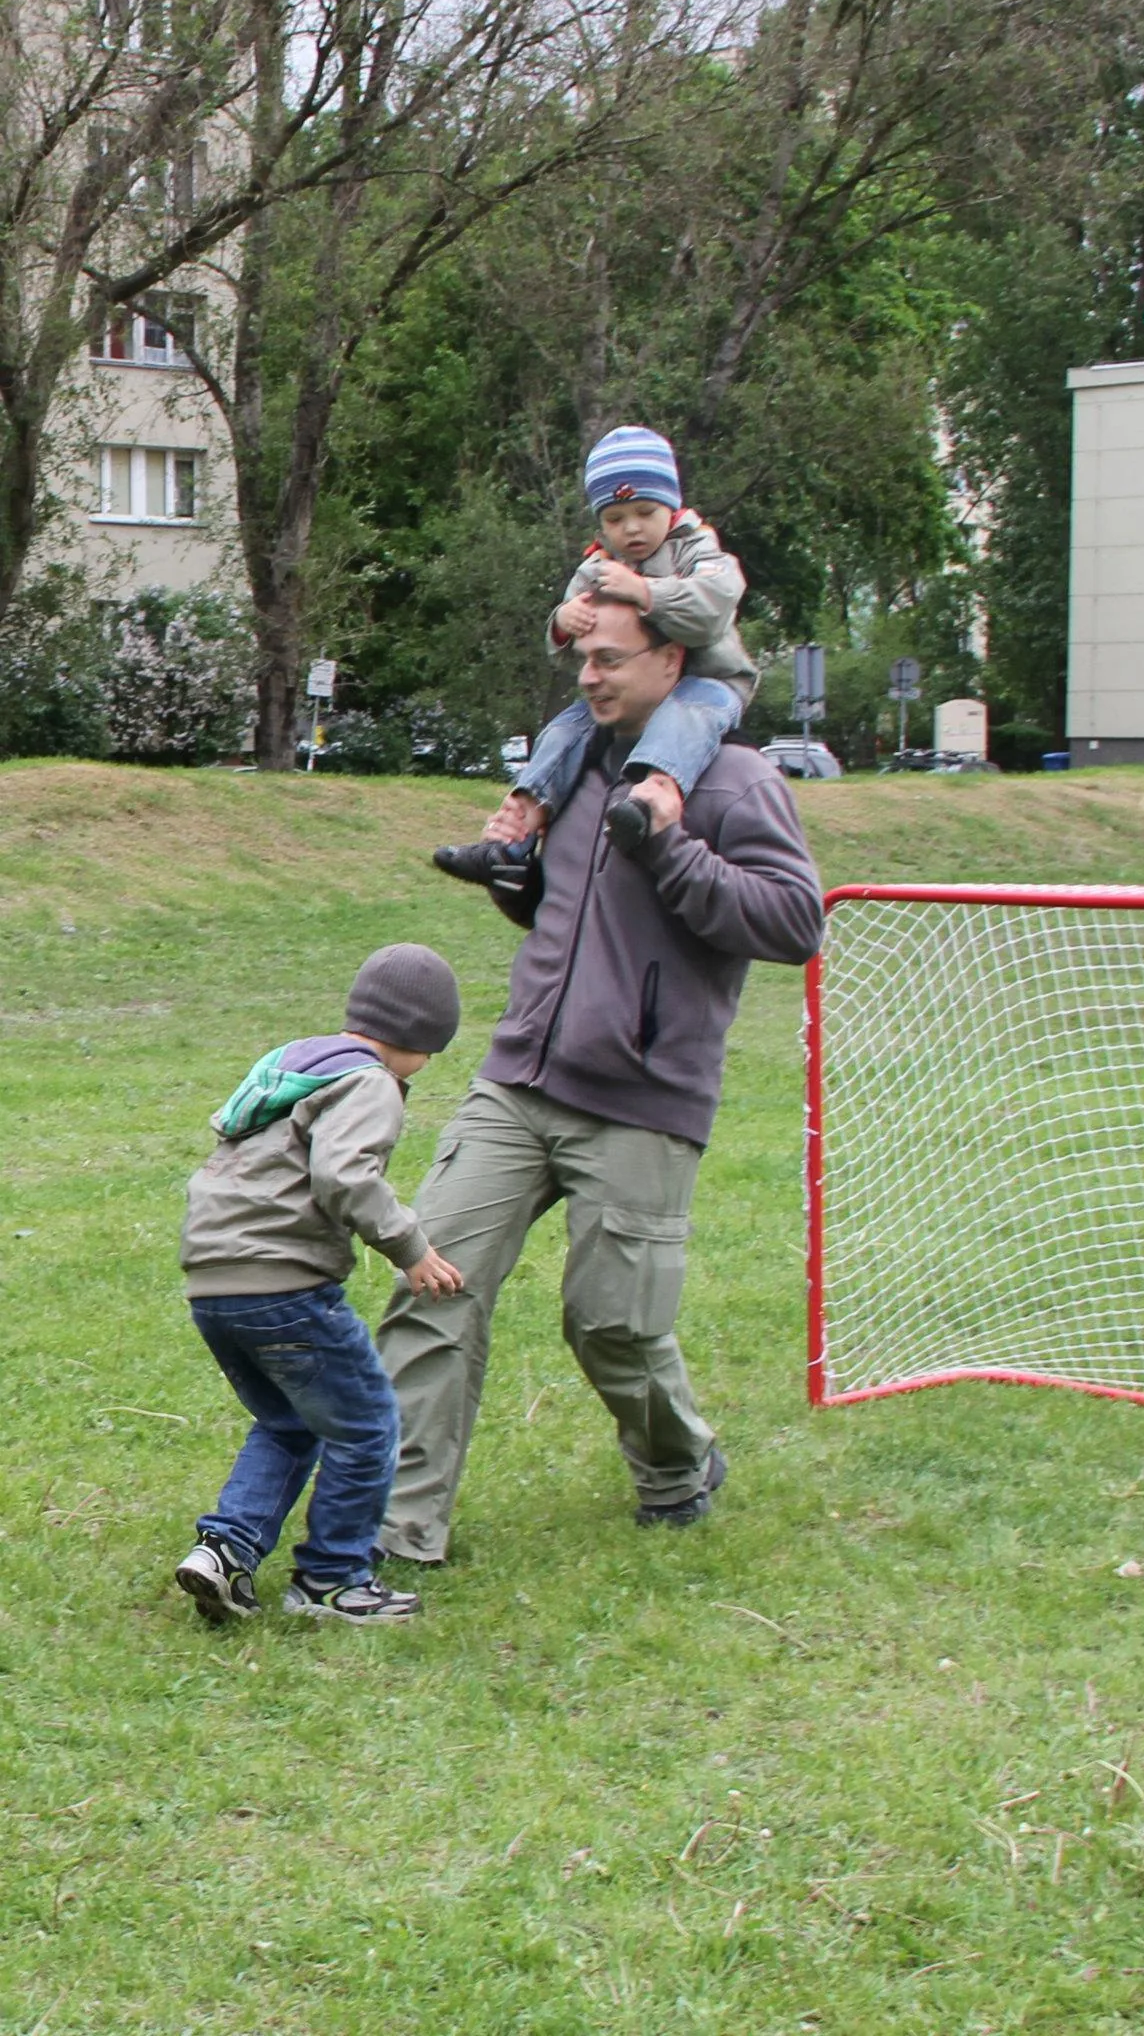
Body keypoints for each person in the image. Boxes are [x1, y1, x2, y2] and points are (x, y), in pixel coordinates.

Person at [378, 597, 825, 1560]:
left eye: (611, 660)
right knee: (432, 1290)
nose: (588, 677)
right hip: (521, 1078)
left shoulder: (735, 783)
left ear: (673, 662)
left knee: (611, 1325)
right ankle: (398, 1528)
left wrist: (667, 846)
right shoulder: (574, 766)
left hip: (642, 1099)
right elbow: (567, 914)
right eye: (583, 659)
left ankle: (676, 1462)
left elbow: (794, 922)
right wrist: (520, 888)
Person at [174, 945, 465, 1625]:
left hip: (214, 1282)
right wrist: (410, 1248)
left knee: (288, 1420)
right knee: (365, 1426)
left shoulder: (295, 1064)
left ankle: (224, 1551)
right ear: (419, 1036)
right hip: (284, 1289)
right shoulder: (369, 1083)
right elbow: (345, 1177)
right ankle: (332, 1581)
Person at [433, 425, 757, 879]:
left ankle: (646, 804)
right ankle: (514, 838)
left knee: (685, 718)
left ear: (672, 506)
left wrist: (646, 592)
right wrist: (564, 625)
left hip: (709, 684)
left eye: (645, 512)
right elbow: (577, 651)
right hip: (626, 692)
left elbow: (713, 610)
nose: (631, 529)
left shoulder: (698, 549)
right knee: (564, 730)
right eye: (614, 518)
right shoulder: (598, 566)